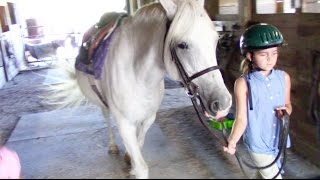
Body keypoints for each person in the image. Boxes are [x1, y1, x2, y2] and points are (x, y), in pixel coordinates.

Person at [223, 23, 292, 179]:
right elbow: (241, 118)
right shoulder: (243, 83)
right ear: (250, 55)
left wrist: (286, 111)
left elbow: (288, 105)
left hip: (278, 139)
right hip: (258, 142)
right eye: (263, 54)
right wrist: (232, 141)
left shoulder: (284, 77)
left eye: (274, 53)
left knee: (263, 175)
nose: (270, 59)